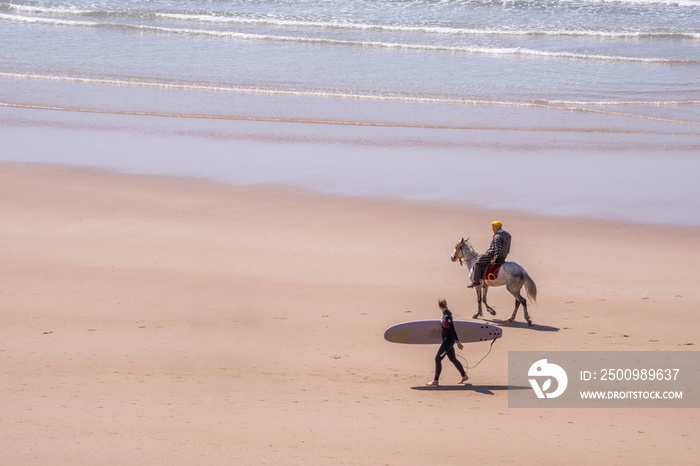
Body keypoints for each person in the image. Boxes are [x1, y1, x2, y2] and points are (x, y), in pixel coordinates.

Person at [426, 299, 469, 387]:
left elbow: (452, 329)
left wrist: (458, 342)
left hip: (448, 341)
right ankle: (464, 376)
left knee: (437, 358)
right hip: (448, 341)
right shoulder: (446, 313)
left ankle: (435, 380)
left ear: (439, 306)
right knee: (452, 359)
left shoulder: (447, 316)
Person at [468, 220, 511, 288]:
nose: (492, 229)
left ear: (495, 228)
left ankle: (475, 281)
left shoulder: (497, 236)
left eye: (493, 228)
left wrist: (495, 258)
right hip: (504, 256)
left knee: (478, 263)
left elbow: (497, 248)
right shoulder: (507, 234)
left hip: (493, 255)